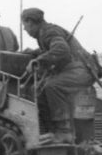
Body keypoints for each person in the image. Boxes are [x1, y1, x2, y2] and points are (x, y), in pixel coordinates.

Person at [21, 7, 95, 144]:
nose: (25, 29)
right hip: (77, 70)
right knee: (39, 90)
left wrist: (39, 60)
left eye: (24, 25)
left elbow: (61, 50)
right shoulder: (46, 31)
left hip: (80, 71)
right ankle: (52, 132)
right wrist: (34, 53)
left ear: (30, 22)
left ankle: (64, 133)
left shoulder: (48, 32)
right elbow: (53, 47)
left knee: (52, 86)